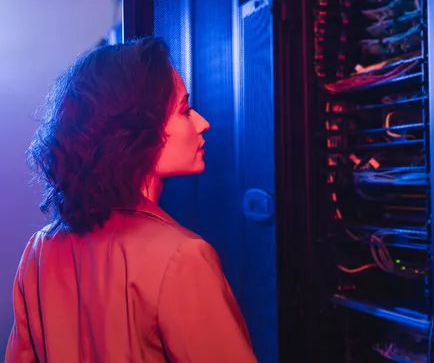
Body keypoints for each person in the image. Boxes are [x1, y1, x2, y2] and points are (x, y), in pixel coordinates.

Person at [5, 38, 257, 363]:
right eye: (184, 110)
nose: (202, 122)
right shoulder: (183, 259)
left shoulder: (40, 250)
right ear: (138, 129)